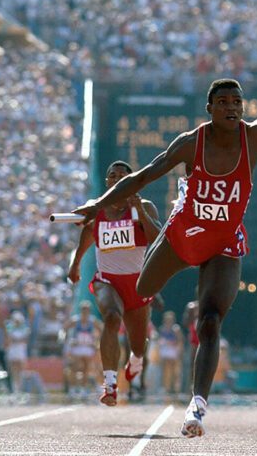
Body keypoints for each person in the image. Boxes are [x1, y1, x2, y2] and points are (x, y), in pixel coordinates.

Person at [72, 63, 257, 437]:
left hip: (224, 243)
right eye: (224, 102)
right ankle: (136, 352)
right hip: (183, 233)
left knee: (210, 320)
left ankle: (197, 406)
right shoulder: (190, 142)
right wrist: (99, 203)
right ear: (210, 109)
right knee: (142, 289)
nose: (233, 107)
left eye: (238, 101)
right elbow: (142, 176)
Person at [68, 161, 162, 406]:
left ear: (134, 181)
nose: (118, 178)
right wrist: (76, 264)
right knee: (111, 317)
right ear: (107, 182)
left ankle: (137, 359)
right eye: (113, 175)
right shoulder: (98, 209)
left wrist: (139, 212)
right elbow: (88, 234)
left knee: (138, 344)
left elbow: (157, 239)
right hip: (107, 280)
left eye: (124, 176)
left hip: (138, 284)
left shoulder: (145, 207)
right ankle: (110, 384)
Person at [64, 301, 102, 401]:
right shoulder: (76, 320)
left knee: (86, 368)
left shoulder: (92, 321)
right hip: (77, 347)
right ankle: (73, 389)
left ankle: (83, 389)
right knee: (75, 368)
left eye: (87, 310)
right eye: (83, 310)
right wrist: (69, 340)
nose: (85, 312)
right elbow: (65, 328)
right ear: (81, 310)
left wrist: (96, 341)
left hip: (88, 347)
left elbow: (101, 329)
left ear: (89, 311)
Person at [158, 310, 184, 396]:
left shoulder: (176, 329)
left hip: (174, 353)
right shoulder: (162, 329)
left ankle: (175, 389)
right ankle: (167, 388)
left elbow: (180, 340)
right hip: (165, 353)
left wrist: (179, 352)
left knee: (175, 372)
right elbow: (160, 341)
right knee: (166, 371)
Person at [6, 311, 30, 398]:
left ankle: (21, 389)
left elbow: (25, 340)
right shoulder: (9, 328)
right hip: (12, 350)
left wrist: (16, 340)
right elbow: (9, 339)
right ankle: (14, 389)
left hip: (20, 350)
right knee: (13, 369)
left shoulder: (24, 328)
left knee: (21, 369)